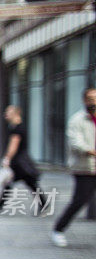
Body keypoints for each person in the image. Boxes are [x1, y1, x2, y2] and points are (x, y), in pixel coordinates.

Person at [51, 88, 96, 247]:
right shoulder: (78, 120)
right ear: (84, 100)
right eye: (91, 98)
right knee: (79, 201)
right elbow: (75, 142)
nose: (94, 101)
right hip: (85, 168)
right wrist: (90, 151)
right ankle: (58, 230)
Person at [0, 105, 48, 213]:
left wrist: (7, 158)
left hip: (19, 163)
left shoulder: (17, 128)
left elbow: (13, 145)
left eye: (8, 112)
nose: (6, 115)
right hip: (20, 162)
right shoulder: (17, 127)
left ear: (16, 113)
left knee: (25, 184)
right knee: (25, 184)